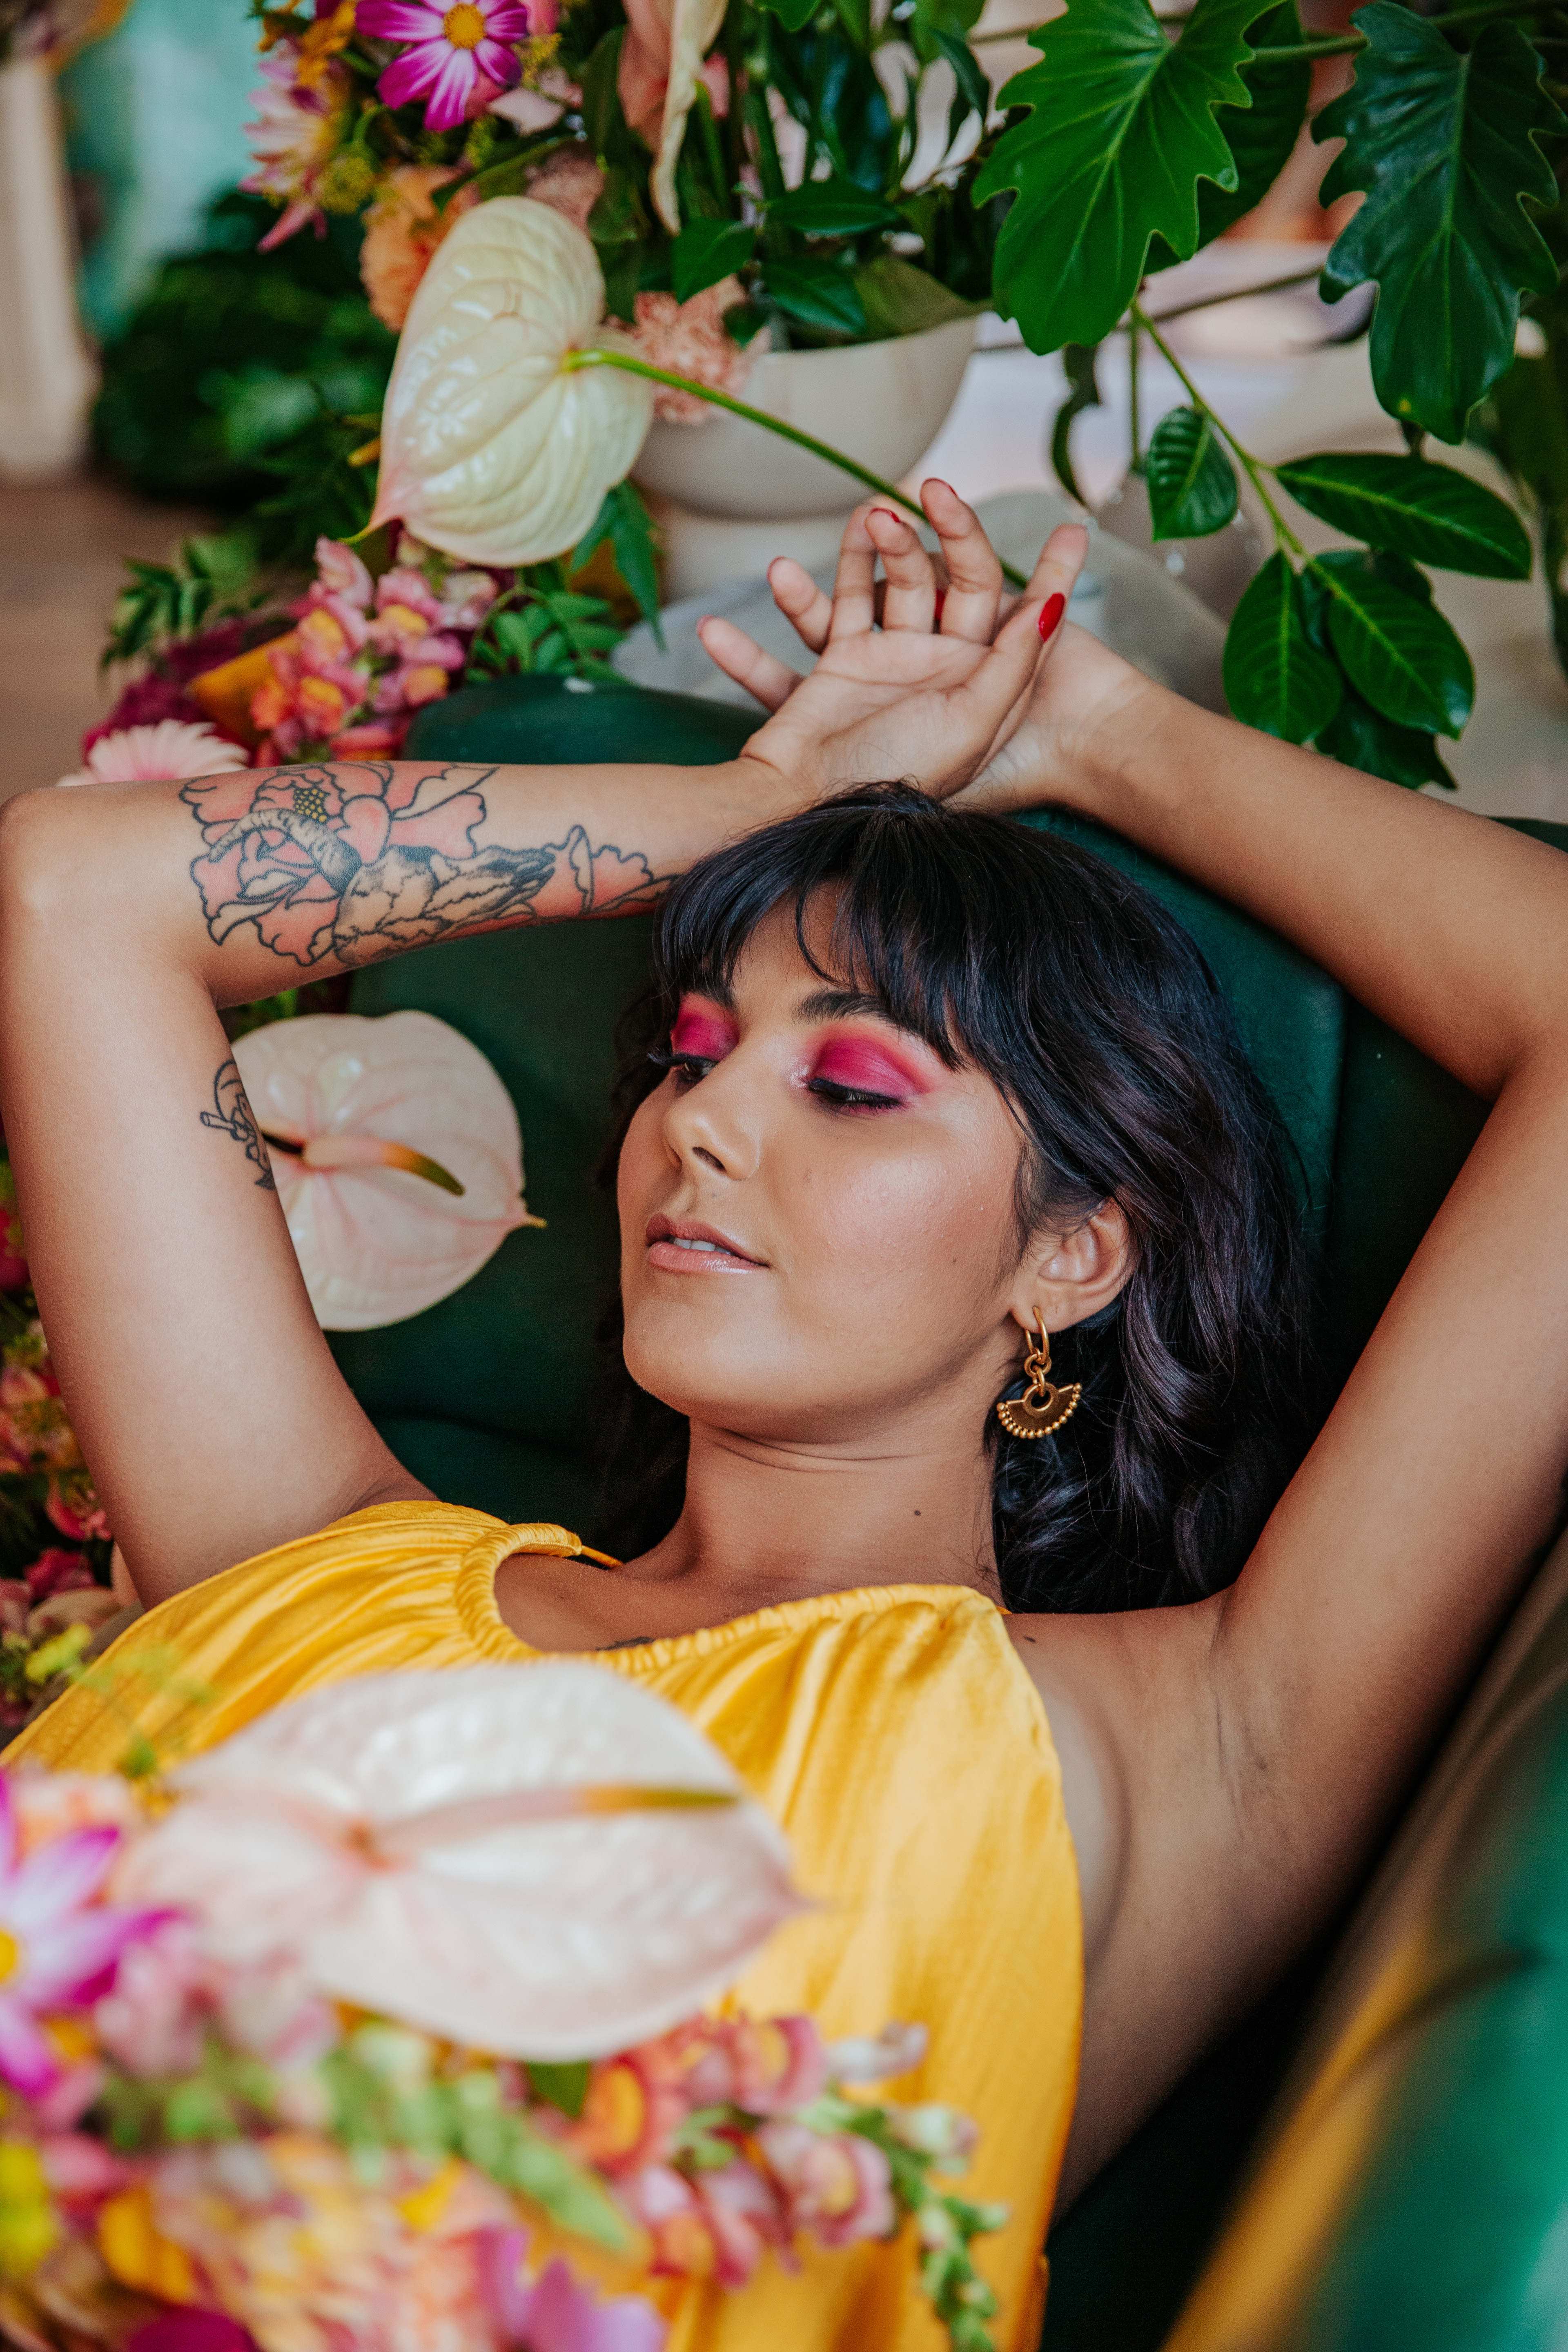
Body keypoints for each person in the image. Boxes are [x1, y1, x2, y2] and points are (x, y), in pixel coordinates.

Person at [3, 486, 1567, 2352]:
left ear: (1068, 1256)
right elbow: (75, 888)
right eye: (685, 1052)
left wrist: (1094, 731)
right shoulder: (300, 1553)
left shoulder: (1192, 1746)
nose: (701, 1123)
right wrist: (763, 805)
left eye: (848, 1080)